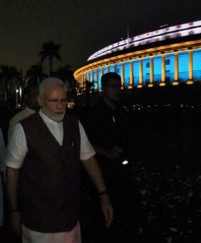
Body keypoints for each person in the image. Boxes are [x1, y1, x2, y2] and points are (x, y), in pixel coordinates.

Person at [5, 77, 113, 243]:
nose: (60, 106)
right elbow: (12, 171)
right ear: (40, 101)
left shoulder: (74, 125)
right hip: (38, 223)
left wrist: (103, 194)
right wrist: (13, 210)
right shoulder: (24, 128)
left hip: (71, 219)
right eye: (53, 101)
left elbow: (89, 160)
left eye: (63, 100)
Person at [84, 72, 140, 243]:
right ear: (103, 89)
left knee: (123, 213)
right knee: (103, 217)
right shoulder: (94, 114)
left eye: (119, 86)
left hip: (122, 172)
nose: (117, 90)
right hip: (102, 173)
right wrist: (105, 152)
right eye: (112, 86)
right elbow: (83, 143)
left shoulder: (121, 111)